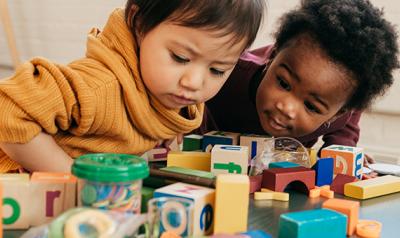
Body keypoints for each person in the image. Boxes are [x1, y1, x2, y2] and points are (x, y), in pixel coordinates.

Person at [0, 0, 266, 172]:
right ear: (139, 24)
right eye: (180, 58)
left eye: (217, 70)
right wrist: (73, 178)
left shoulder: (173, 98)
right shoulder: (98, 85)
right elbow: (7, 111)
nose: (194, 83)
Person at [198, 0, 399, 161]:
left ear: (335, 114)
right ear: (272, 58)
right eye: (284, 84)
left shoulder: (341, 105)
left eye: (311, 106)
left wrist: (341, 150)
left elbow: (350, 115)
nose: (286, 108)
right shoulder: (229, 75)